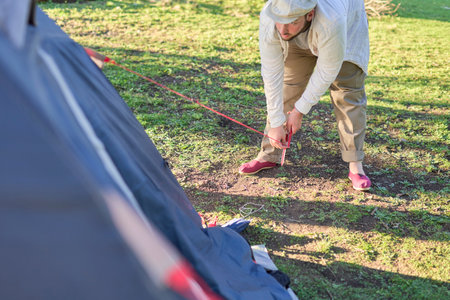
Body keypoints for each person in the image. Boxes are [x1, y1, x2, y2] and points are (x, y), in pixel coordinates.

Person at [239, 0, 372, 191]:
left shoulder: (332, 19)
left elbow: (327, 69)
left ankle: (355, 165)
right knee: (289, 84)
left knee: (347, 94)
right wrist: (277, 122)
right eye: (280, 21)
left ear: (309, 14)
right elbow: (272, 73)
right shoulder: (270, 16)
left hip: (345, 32)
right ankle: (269, 154)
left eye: (292, 21)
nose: (283, 30)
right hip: (300, 38)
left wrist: (300, 110)